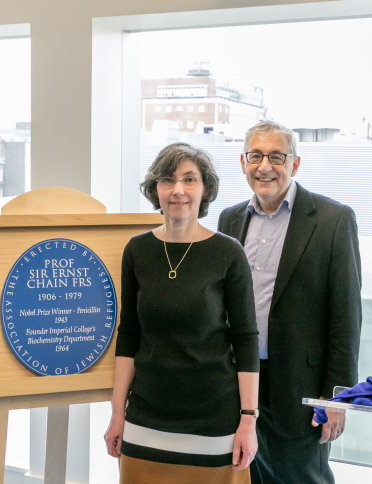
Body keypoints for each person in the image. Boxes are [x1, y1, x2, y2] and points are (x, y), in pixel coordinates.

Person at [104, 142, 260, 484]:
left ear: (205, 190)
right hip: (145, 420)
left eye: (189, 180)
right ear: (155, 189)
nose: (178, 190)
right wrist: (117, 415)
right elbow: (128, 335)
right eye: (167, 180)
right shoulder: (137, 250)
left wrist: (248, 419)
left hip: (214, 422)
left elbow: (246, 339)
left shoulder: (228, 253)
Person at [217, 120, 362, 483]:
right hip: (237, 383)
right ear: (243, 161)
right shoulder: (229, 218)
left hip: (301, 386)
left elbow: (346, 317)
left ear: (294, 164)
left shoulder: (332, 220)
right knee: (245, 477)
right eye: (255, 155)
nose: (265, 166)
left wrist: (336, 398)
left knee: (301, 477)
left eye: (276, 156)